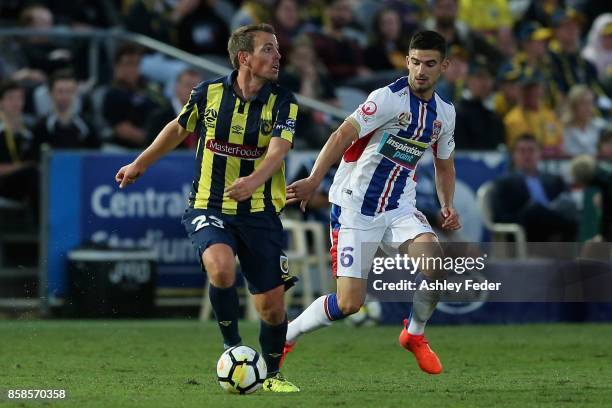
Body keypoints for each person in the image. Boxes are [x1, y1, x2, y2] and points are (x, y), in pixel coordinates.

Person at [115, 23, 300, 393]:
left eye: (277, 49)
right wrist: (140, 163)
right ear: (244, 57)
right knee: (220, 264)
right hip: (209, 203)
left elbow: (279, 150)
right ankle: (233, 349)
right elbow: (178, 129)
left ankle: (273, 374)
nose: (278, 56)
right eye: (268, 49)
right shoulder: (208, 93)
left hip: (260, 212)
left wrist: (253, 182)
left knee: (272, 308)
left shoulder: (283, 100)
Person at [282, 31, 460, 375]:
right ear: (407, 61)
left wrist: (447, 204)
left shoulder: (445, 113)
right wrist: (314, 180)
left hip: (399, 208)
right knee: (349, 303)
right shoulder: (387, 99)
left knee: (436, 266)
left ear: (444, 66)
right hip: (355, 207)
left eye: (430, 64)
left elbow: (444, 163)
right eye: (415, 62)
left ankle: (414, 335)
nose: (421, 70)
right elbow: (341, 135)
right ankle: (288, 334)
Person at [491, 133, 576, 242]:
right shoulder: (504, 182)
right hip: (525, 229)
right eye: (522, 151)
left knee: (573, 215)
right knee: (534, 209)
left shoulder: (554, 180)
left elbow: (566, 200)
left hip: (554, 222)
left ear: (539, 154)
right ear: (514, 155)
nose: (527, 155)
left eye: (531, 150)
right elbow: (499, 217)